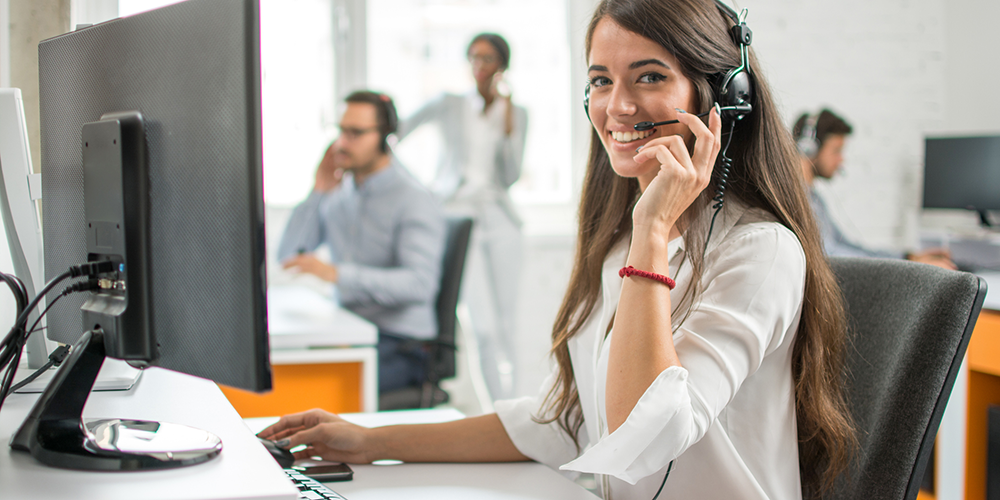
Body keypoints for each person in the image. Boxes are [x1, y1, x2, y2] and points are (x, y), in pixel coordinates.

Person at [260, 1, 856, 498]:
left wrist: (652, 229)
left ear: (724, 95)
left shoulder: (760, 252)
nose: (617, 106)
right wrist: (371, 441)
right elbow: (568, 422)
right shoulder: (620, 243)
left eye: (649, 76)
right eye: (600, 80)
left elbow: (642, 437)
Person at [277, 90, 446, 394]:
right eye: (341, 130)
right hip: (349, 331)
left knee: (311, 390)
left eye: (355, 133)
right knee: (282, 373)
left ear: (385, 137)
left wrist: (338, 274)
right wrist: (318, 191)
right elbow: (288, 256)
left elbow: (420, 284)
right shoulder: (339, 193)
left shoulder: (414, 199)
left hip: (401, 344)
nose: (342, 143)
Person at [394, 33, 528, 400]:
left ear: (502, 66)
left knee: (508, 325)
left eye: (487, 58)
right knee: (482, 327)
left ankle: (517, 406)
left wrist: (508, 124)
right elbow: (396, 133)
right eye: (473, 57)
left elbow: (511, 176)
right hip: (457, 216)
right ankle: (495, 411)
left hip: (499, 218)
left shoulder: (516, 113)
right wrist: (425, 191)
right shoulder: (449, 104)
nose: (478, 66)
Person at [793, 109, 956, 269]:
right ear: (809, 148)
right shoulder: (797, 201)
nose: (841, 160)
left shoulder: (815, 199)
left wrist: (908, 258)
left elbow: (847, 247)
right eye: (836, 151)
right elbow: (832, 256)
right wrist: (910, 268)